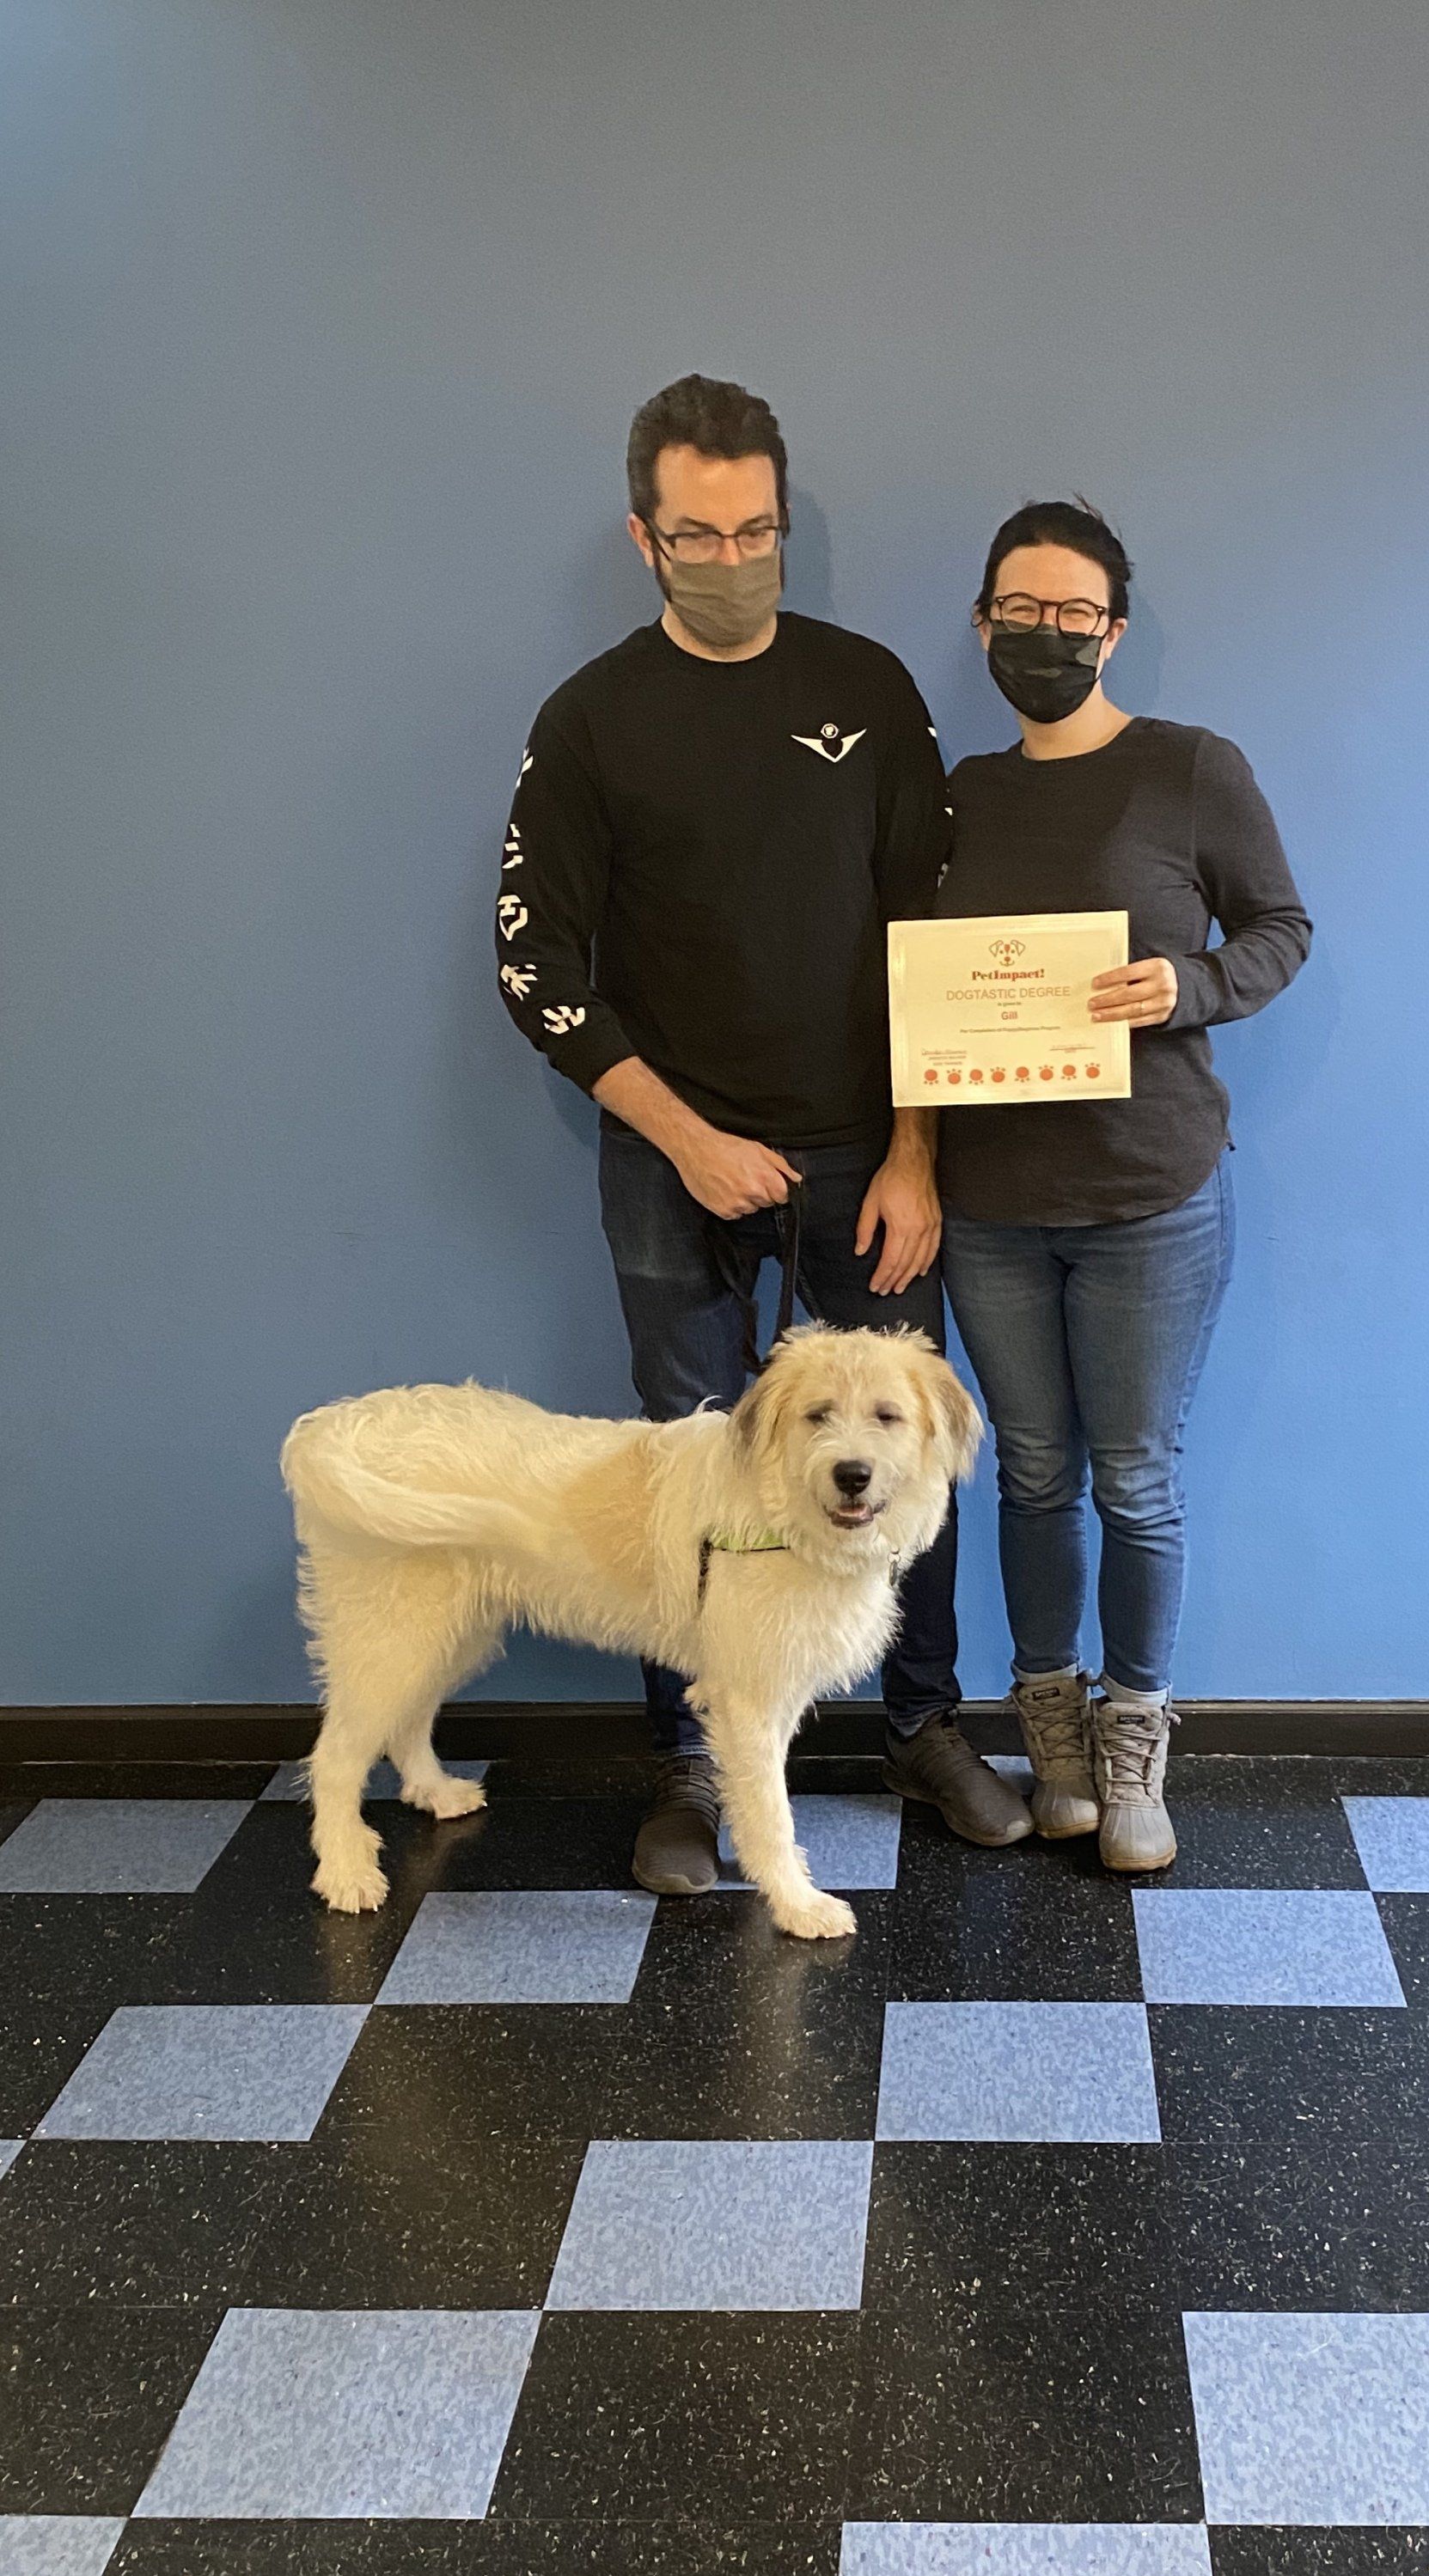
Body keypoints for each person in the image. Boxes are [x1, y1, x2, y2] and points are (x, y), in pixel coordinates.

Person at [494, 375, 1033, 1892]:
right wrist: (687, 1136)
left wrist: (920, 1154)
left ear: (783, 522)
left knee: (900, 1451)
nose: (731, 557)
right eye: (698, 533)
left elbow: (929, 930)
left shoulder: (865, 689)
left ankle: (924, 1728)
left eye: (756, 529)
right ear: (645, 537)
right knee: (693, 1464)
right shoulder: (591, 719)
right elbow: (536, 969)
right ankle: (684, 1763)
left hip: (872, 1155)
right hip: (675, 1162)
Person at [936, 499, 1311, 1869]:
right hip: (989, 1204)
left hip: (1153, 1194)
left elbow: (1281, 928)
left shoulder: (1190, 768)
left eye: (1073, 614)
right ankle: (1051, 1721)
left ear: (1116, 631)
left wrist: (1190, 983)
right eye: (1019, 612)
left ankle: (1136, 1730)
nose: (1045, 636)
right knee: (1032, 1474)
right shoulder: (956, 794)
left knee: (1137, 1476)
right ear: (983, 623)